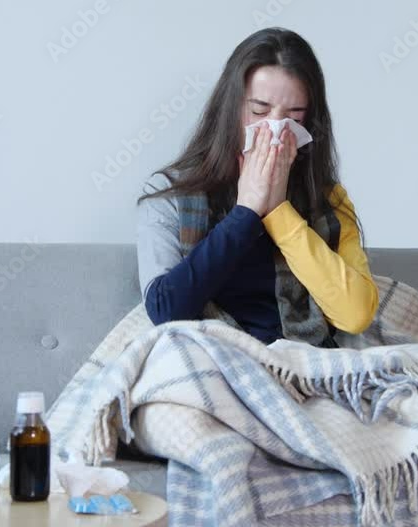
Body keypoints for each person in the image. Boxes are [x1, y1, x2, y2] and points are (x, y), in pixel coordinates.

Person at [136, 27, 378, 348]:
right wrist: (246, 210)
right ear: (230, 108)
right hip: (216, 356)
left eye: (294, 115)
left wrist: (279, 212)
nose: (275, 129)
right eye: (260, 110)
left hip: (307, 361)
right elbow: (166, 310)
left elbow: (356, 315)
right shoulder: (170, 193)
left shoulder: (329, 199)